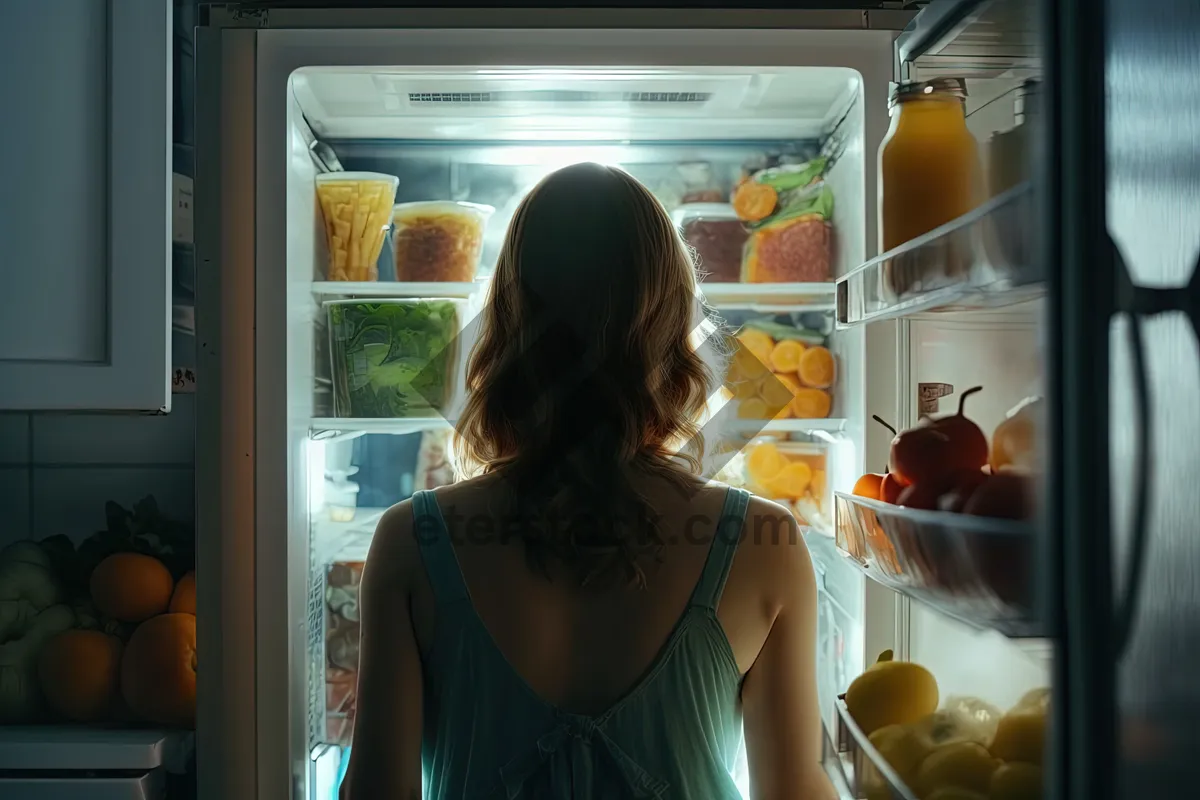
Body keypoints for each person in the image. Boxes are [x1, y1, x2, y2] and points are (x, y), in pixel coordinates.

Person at [341, 163, 833, 800]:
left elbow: (378, 794)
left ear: (507, 324)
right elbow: (794, 789)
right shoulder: (765, 541)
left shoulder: (410, 539)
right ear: (672, 330)